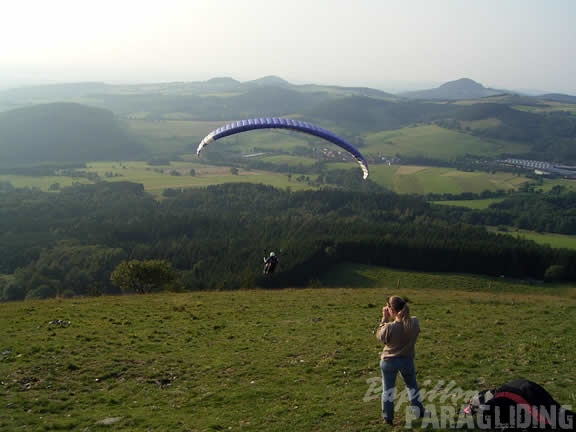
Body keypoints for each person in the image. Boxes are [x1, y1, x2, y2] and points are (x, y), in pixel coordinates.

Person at [375, 295, 426, 425]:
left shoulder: (390, 327)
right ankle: (419, 411)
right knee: (412, 386)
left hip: (389, 361)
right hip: (407, 359)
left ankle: (388, 418)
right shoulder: (414, 322)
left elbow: (380, 336)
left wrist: (384, 319)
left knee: (388, 390)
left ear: (392, 310)